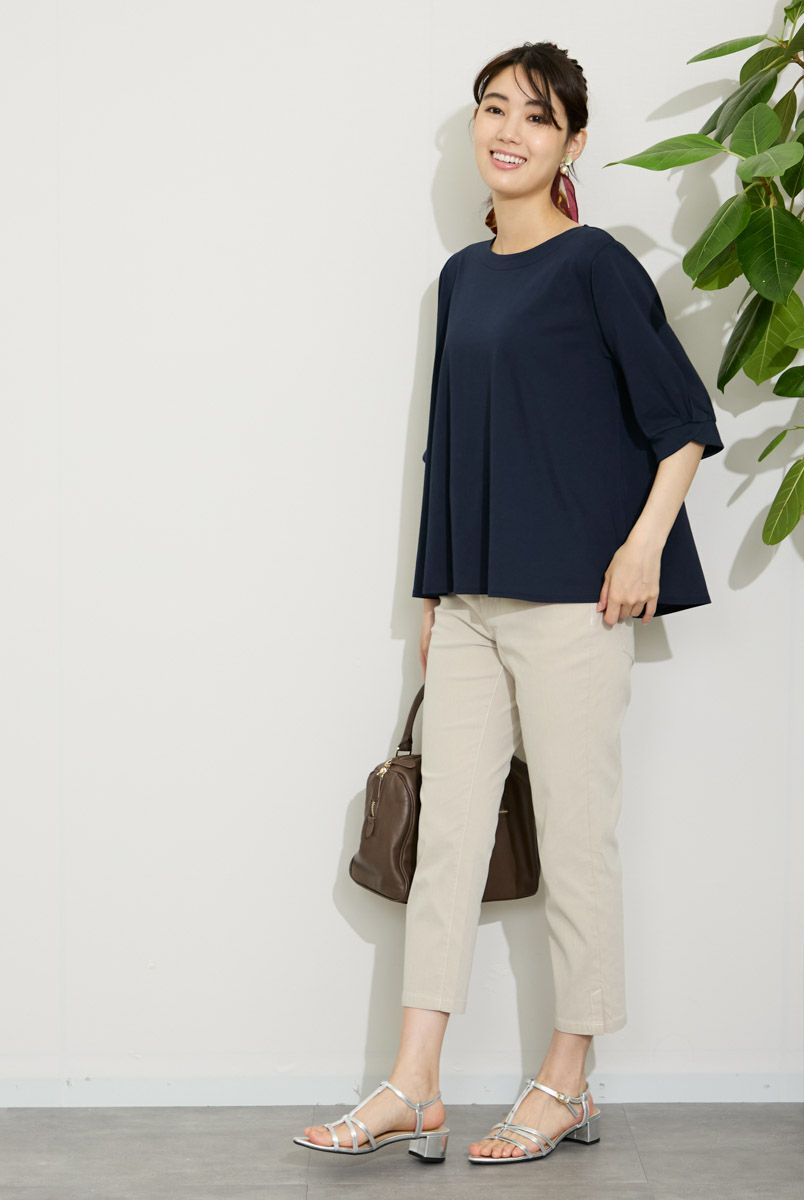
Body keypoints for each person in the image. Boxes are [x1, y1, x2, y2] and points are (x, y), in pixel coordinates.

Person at [297, 39, 723, 1164]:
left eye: (537, 116)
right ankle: (414, 1085)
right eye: (494, 108)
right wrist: (433, 591)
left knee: (577, 843)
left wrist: (641, 549)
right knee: (446, 840)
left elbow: (682, 422)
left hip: (578, 604)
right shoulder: (461, 277)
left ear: (572, 143)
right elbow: (447, 446)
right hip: (474, 603)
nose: (510, 131)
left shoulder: (596, 265)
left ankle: (567, 1081)